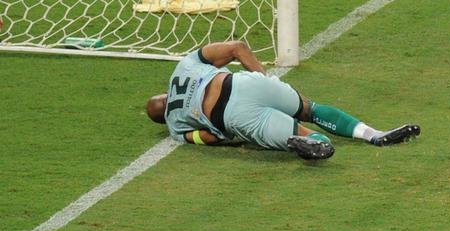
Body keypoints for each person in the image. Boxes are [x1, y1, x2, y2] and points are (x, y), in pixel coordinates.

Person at [144, 40, 419, 160]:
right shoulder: (184, 68)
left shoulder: (176, 126)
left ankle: (308, 144)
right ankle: (374, 135)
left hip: (234, 117)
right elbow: (237, 48)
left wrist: (233, 137)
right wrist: (267, 79)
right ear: (165, 93)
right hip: (246, 84)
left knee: (312, 139)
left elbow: (209, 138)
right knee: (311, 108)